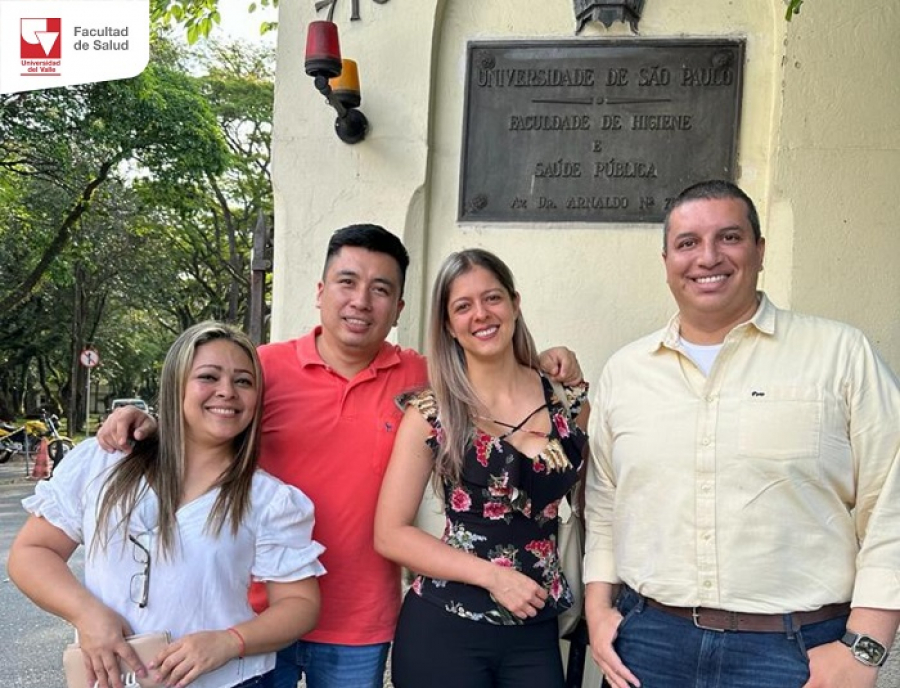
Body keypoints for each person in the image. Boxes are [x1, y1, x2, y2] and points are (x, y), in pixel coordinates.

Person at [98, 225, 583, 688]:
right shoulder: (263, 369)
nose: (361, 301)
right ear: (320, 291)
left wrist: (550, 366)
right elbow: (207, 413)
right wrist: (150, 424)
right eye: (347, 282)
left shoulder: (421, 379)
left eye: (380, 289)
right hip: (254, 612)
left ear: (399, 308)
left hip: (358, 623)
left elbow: (488, 369)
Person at [584, 180, 900, 688]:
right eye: (688, 243)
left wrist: (864, 648)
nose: (707, 257)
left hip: (796, 652)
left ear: (760, 251)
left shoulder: (840, 355)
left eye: (729, 237)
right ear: (666, 261)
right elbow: (605, 503)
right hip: (649, 646)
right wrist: (598, 610)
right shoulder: (626, 371)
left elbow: (891, 500)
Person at [8, 322, 325, 688]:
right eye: (208, 376)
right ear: (176, 385)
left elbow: (300, 603)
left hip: (227, 681)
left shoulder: (269, 499)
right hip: (113, 679)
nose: (227, 391)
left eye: (243, 381)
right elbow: (33, 552)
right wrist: (86, 614)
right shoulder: (104, 461)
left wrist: (229, 642)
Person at [374, 248, 590, 687]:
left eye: (492, 298)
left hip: (534, 628)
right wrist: (493, 577)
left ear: (514, 303)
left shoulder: (567, 400)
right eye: (462, 306)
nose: (481, 314)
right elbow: (389, 533)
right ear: (448, 325)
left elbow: (592, 503)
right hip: (445, 626)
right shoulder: (433, 412)